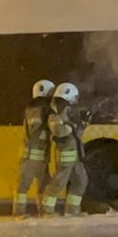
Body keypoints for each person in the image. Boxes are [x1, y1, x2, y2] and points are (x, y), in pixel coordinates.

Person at [42, 82, 90, 217]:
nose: (75, 101)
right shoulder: (55, 114)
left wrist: (84, 123)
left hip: (75, 154)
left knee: (81, 180)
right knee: (58, 182)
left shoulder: (69, 113)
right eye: (74, 98)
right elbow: (59, 131)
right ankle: (47, 211)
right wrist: (73, 126)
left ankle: (72, 210)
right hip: (65, 154)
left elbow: (77, 133)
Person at [13, 80, 54, 217]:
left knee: (44, 186)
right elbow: (35, 129)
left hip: (40, 157)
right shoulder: (35, 108)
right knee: (23, 186)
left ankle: (44, 212)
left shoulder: (40, 108)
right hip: (31, 157)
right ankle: (19, 213)